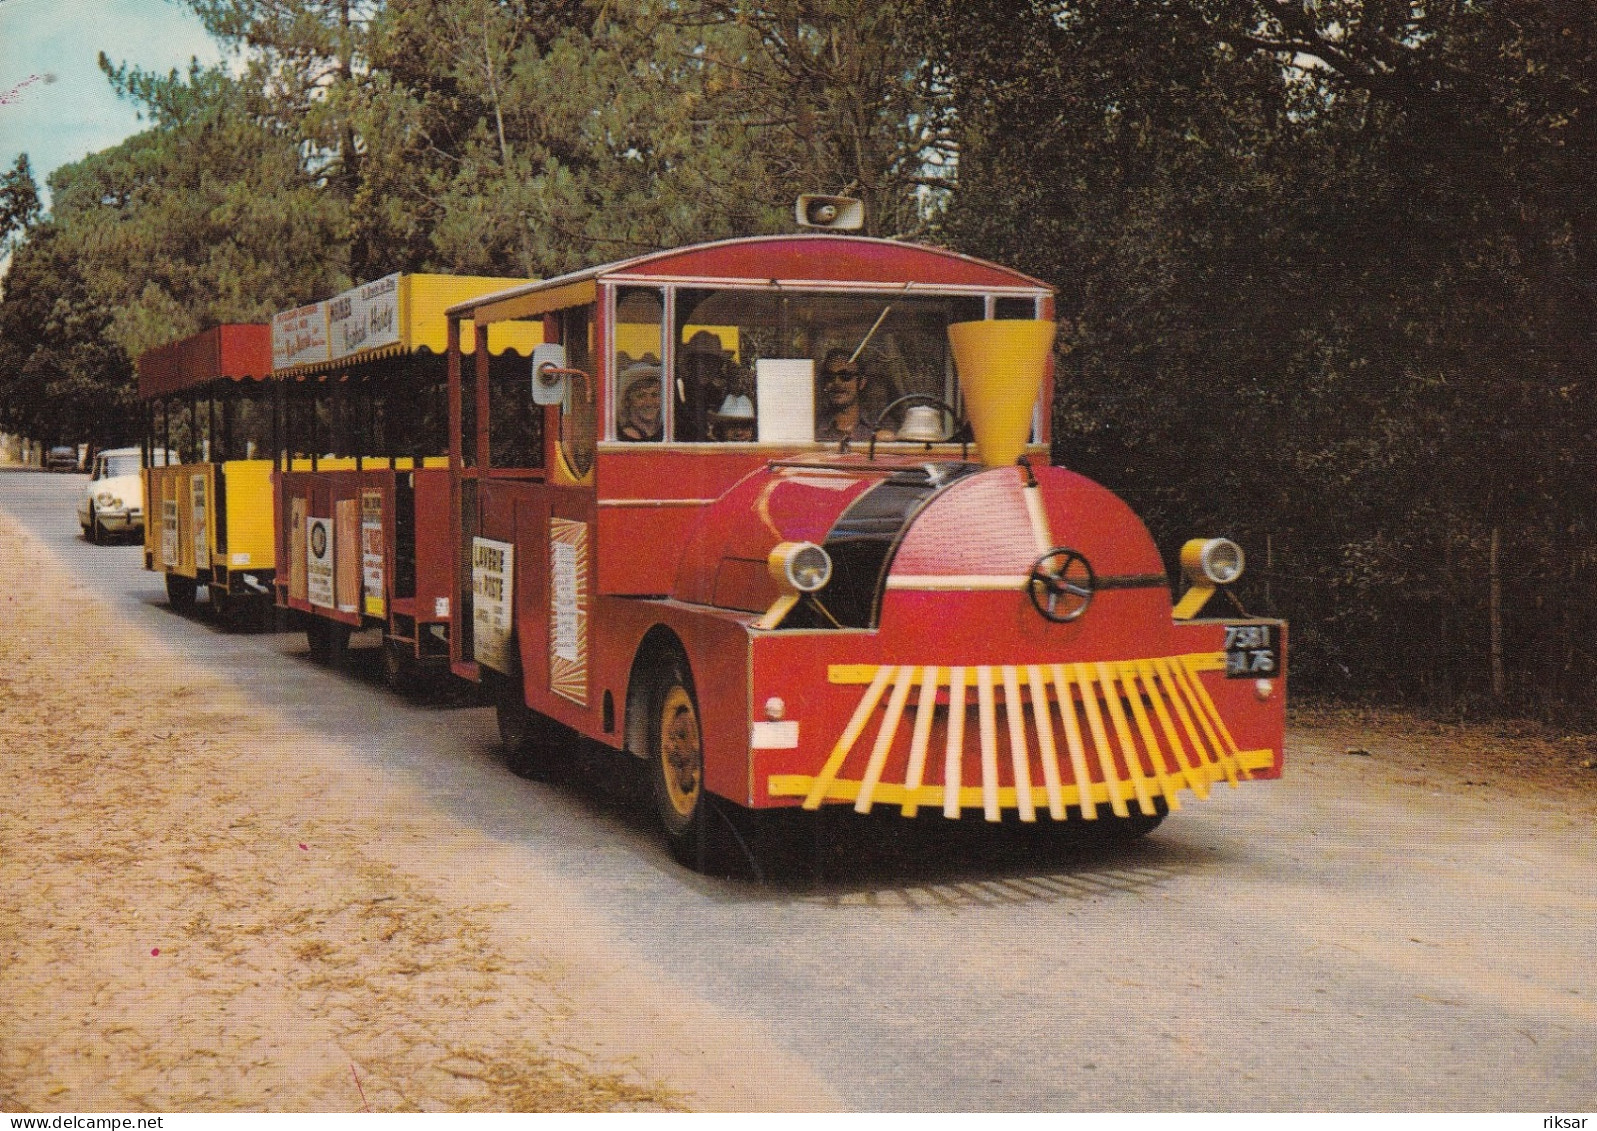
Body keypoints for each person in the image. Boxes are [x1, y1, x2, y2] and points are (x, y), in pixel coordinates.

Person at [816, 348, 885, 443]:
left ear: (861, 383)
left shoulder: (881, 425)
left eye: (845, 376)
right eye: (829, 377)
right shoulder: (812, 428)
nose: (837, 382)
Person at [675, 330, 733, 441]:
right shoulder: (678, 390)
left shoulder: (717, 395)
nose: (707, 368)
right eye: (702, 362)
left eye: (713, 363)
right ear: (691, 364)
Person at [616, 359, 663, 442]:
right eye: (641, 396)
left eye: (655, 395)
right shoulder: (629, 433)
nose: (649, 403)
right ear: (627, 401)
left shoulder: (661, 431)